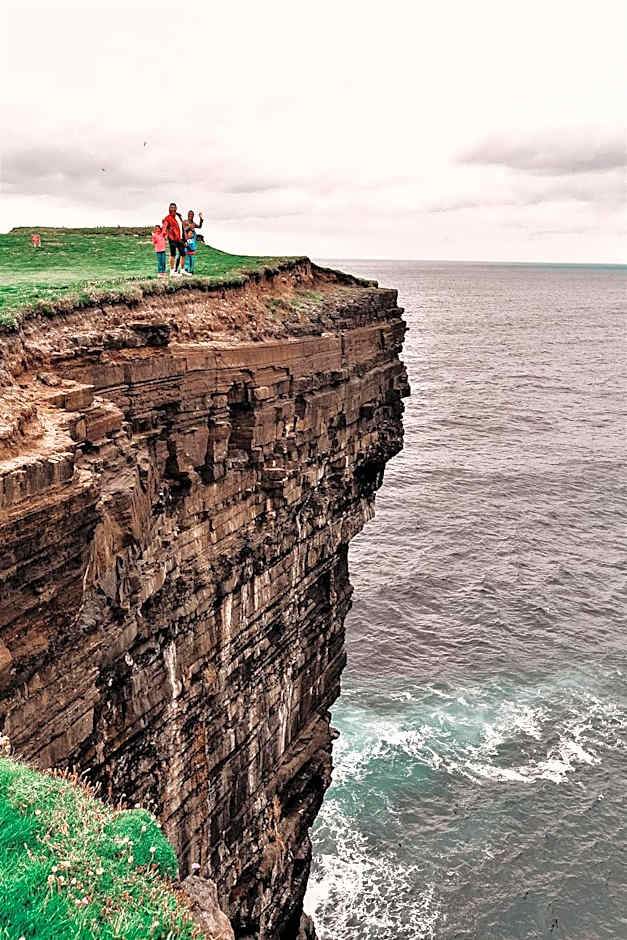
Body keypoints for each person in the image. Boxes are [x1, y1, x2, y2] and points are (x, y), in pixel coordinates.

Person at [161, 202, 186, 276]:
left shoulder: (178, 217)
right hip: (172, 238)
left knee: (183, 254)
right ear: (169, 209)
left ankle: (182, 270)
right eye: (171, 207)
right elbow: (165, 225)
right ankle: (172, 272)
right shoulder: (168, 218)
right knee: (173, 254)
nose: (172, 209)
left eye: (174, 207)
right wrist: (164, 232)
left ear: (176, 208)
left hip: (180, 238)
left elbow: (182, 227)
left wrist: (185, 237)